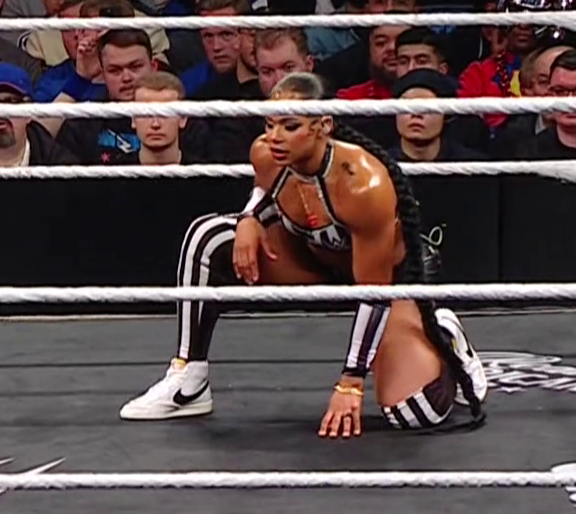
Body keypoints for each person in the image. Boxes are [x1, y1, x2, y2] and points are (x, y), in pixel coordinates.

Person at [118, 73, 490, 437]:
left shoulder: (362, 183)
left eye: (290, 126)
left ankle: (442, 333)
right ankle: (189, 379)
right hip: (314, 259)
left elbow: (373, 291)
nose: (275, 136)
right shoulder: (266, 153)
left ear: (323, 126)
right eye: (270, 124)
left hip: (389, 281)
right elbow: (268, 190)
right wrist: (249, 218)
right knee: (211, 235)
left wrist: (350, 383)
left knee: (414, 412)